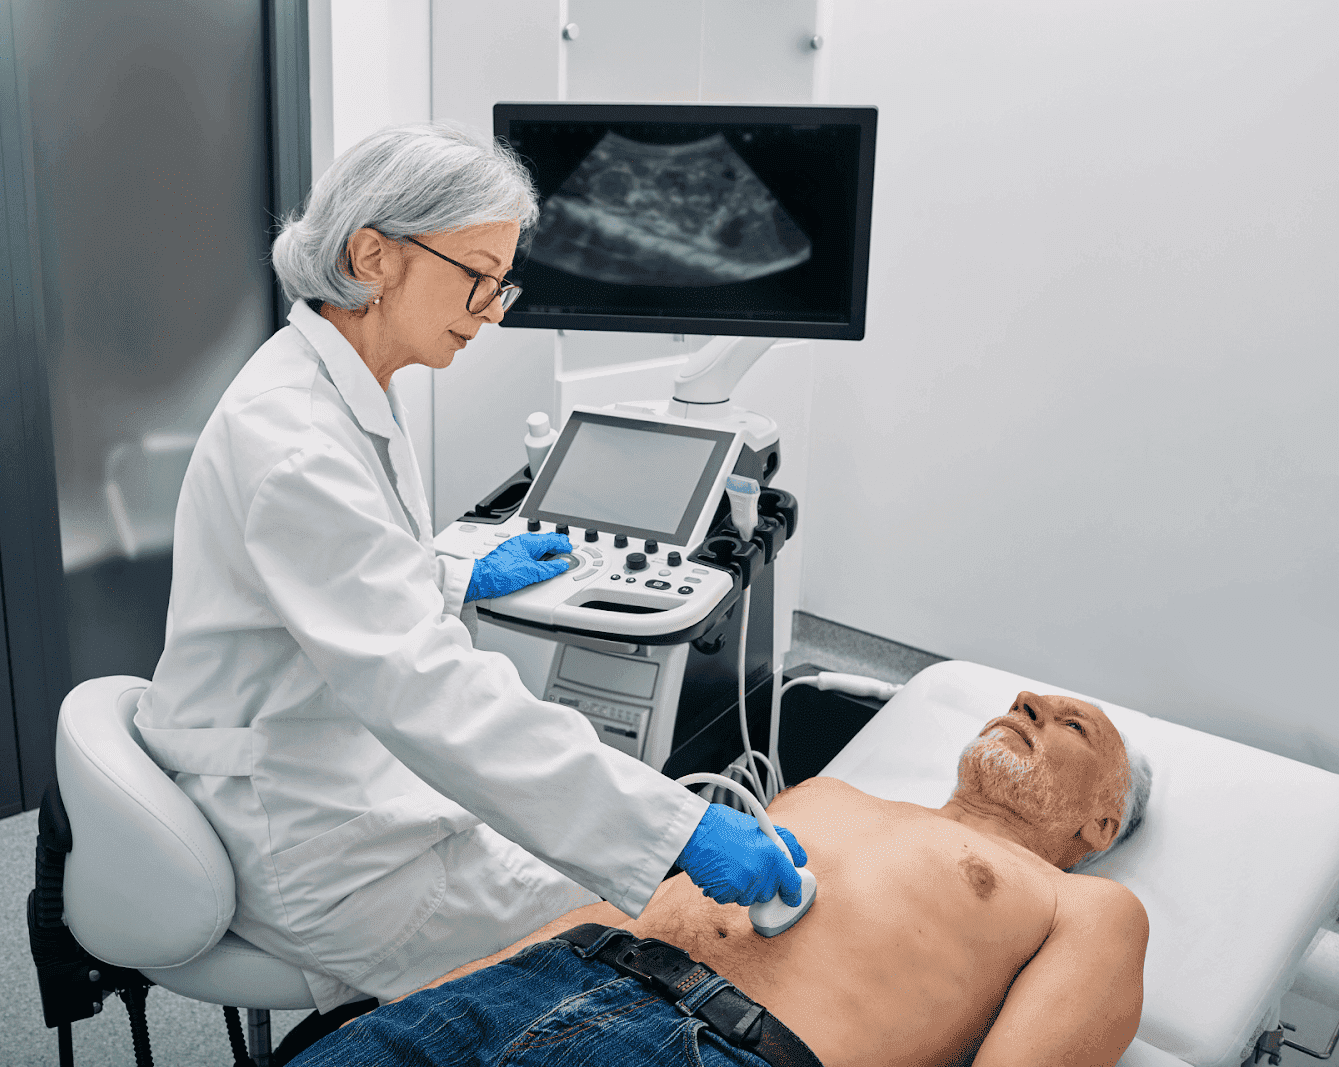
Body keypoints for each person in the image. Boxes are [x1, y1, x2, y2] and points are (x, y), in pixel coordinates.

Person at [132, 122, 805, 1015]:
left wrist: (451, 578)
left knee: (581, 853)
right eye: (479, 278)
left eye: (503, 281)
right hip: (310, 839)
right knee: (631, 932)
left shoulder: (335, 381)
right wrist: (675, 826)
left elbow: (336, 589)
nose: (495, 311)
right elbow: (430, 690)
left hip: (340, 770)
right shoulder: (296, 441)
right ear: (373, 256)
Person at [289, 691, 1155, 1067]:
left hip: (718, 1047)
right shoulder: (829, 792)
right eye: (1019, 703)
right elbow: (625, 902)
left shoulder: (1086, 905)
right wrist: (443, 987)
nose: (1025, 709)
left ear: (1101, 822)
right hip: (546, 975)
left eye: (1069, 722)